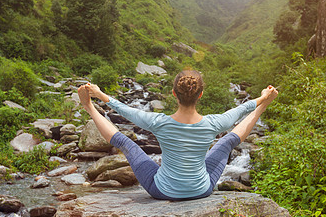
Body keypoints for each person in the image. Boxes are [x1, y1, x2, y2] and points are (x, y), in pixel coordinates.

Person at [78, 70, 278, 200]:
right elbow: (243, 109)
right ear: (200, 95)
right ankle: (264, 109)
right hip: (201, 190)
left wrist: (98, 96)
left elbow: (125, 111)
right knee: (228, 142)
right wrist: (263, 100)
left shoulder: (159, 123)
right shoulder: (213, 123)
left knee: (127, 144)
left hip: (163, 191)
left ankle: (88, 108)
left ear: (174, 93)